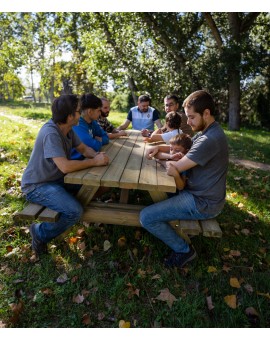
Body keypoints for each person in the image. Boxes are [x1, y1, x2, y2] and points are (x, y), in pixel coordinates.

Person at [140, 90, 229, 268]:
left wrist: (159, 157)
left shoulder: (209, 139)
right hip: (202, 194)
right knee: (163, 194)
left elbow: (173, 168)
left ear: (206, 113)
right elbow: (184, 150)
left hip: (203, 203)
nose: (188, 122)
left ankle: (184, 250)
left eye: (191, 117)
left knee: (146, 217)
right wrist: (160, 149)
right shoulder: (209, 131)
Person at [21, 94, 109, 256]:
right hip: (37, 185)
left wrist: (97, 155)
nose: (81, 112)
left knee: (100, 185)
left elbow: (83, 149)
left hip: (57, 180)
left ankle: (79, 208)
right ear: (70, 117)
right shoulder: (51, 133)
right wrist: (94, 162)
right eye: (78, 111)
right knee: (74, 211)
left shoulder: (68, 129)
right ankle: (39, 232)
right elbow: (65, 167)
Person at [71, 94, 109, 160]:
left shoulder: (93, 122)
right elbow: (93, 146)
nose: (100, 113)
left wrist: (97, 141)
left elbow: (106, 137)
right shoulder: (78, 124)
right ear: (90, 112)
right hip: (76, 163)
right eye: (98, 110)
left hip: (88, 158)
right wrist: (99, 141)